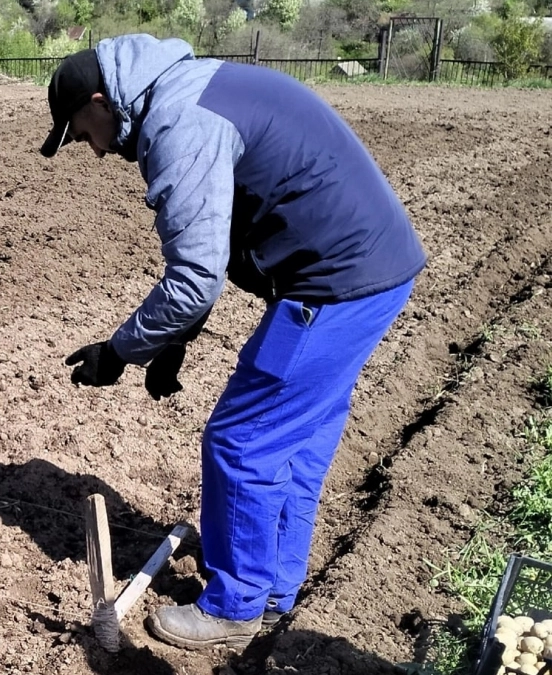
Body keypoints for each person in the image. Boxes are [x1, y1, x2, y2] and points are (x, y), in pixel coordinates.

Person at [43, 33, 427, 651]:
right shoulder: (192, 85)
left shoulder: (178, 122)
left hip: (334, 283)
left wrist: (117, 353)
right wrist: (172, 342)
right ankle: (274, 590)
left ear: (99, 102)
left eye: (83, 133)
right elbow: (219, 243)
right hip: (370, 270)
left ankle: (235, 604)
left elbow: (195, 278)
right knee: (293, 442)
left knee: (243, 441)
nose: (94, 149)